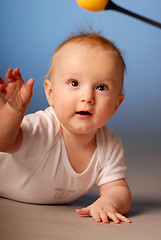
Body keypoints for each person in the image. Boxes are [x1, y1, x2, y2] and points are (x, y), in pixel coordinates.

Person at [0, 31, 131, 224]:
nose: (87, 97)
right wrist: (14, 110)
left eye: (101, 87)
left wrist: (108, 202)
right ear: (51, 93)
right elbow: (4, 143)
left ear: (116, 105)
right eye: (74, 83)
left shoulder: (109, 146)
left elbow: (118, 189)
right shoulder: (44, 127)